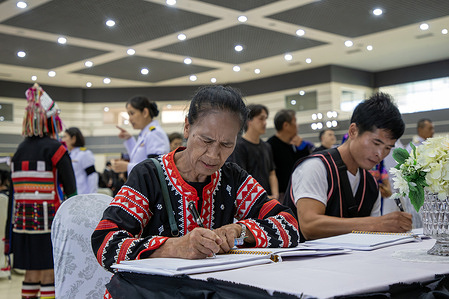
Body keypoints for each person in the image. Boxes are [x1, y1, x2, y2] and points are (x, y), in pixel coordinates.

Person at [92, 85, 299, 280]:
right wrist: (174, 247)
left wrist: (240, 232)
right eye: (206, 140)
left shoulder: (231, 177)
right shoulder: (149, 175)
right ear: (187, 128)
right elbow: (106, 243)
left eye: (227, 144)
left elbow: (289, 225)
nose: (214, 155)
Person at [284, 92, 412, 242]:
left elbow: (370, 240)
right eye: (375, 143)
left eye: (388, 148)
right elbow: (309, 226)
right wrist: (378, 224)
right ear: (353, 131)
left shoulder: (370, 184)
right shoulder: (316, 167)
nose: (379, 153)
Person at [5, 84, 77, 299]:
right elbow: (72, 190)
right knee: (48, 270)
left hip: (22, 223)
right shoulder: (56, 148)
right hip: (48, 221)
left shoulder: (19, 150)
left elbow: (12, 192)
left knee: (31, 271)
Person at [228, 104, 279, 199]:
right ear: (249, 121)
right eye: (261, 119)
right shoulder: (239, 146)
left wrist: (275, 195)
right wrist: (258, 198)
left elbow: (272, 173)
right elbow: (241, 178)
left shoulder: (267, 146)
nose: (265, 123)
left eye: (265, 119)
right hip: (250, 200)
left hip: (268, 199)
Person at [112, 96, 170, 174]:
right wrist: (129, 139)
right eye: (129, 115)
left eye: (132, 113)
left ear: (145, 112)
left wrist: (128, 167)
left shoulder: (155, 133)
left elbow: (155, 167)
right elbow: (139, 158)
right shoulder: (145, 134)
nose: (130, 119)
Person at [267, 109, 310, 198]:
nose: (297, 125)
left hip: (298, 192)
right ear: (286, 125)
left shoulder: (294, 144)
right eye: (294, 121)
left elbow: (303, 167)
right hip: (281, 196)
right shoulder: (270, 146)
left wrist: (302, 148)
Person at [62, 127, 98, 194]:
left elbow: (92, 175)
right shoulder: (69, 155)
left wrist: (92, 194)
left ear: (73, 138)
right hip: (72, 194)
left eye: (65, 137)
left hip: (83, 193)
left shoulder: (85, 154)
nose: (62, 139)